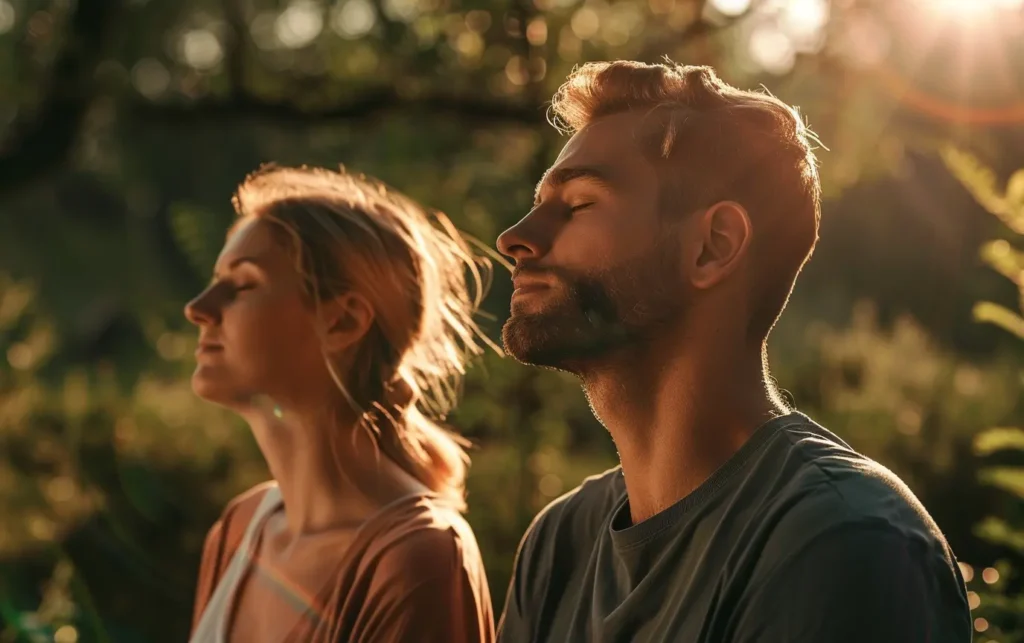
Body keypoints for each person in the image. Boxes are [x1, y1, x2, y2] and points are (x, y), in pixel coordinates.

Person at [495, 61, 971, 642]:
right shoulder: (559, 543)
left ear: (711, 247)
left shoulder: (841, 544)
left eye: (580, 203)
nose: (515, 236)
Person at [185, 165, 496, 642]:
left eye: (243, 284)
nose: (199, 307)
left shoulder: (419, 557)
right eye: (215, 279)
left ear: (343, 321)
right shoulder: (239, 528)